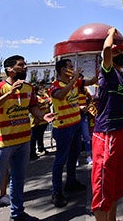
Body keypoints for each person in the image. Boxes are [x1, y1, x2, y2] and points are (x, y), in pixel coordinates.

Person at [0, 55, 55, 221]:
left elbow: (33, 107)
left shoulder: (29, 88)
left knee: (18, 180)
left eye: (25, 64)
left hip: (23, 141)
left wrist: (43, 117)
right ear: (9, 69)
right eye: (21, 65)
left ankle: (17, 213)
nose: (25, 67)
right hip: (1, 144)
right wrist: (10, 93)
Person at [91, 28, 123, 221]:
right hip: (106, 133)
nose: (118, 54)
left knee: (115, 185)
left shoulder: (122, 77)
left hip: (120, 131)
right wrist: (111, 32)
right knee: (103, 184)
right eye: (115, 51)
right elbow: (106, 49)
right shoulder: (106, 73)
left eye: (119, 51)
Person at [48, 59, 87, 207]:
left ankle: (71, 181)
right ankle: (56, 192)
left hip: (76, 124)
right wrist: (75, 79)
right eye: (70, 67)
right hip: (63, 128)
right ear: (63, 70)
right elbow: (60, 95)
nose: (73, 69)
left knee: (74, 156)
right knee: (60, 160)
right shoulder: (54, 86)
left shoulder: (75, 83)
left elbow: (90, 82)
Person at [30, 83, 51, 160]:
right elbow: (37, 104)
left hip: (44, 120)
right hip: (36, 120)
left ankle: (41, 148)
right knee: (33, 137)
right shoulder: (35, 97)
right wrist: (45, 101)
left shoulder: (44, 95)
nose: (42, 89)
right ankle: (32, 152)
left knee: (40, 135)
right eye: (40, 87)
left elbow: (49, 100)